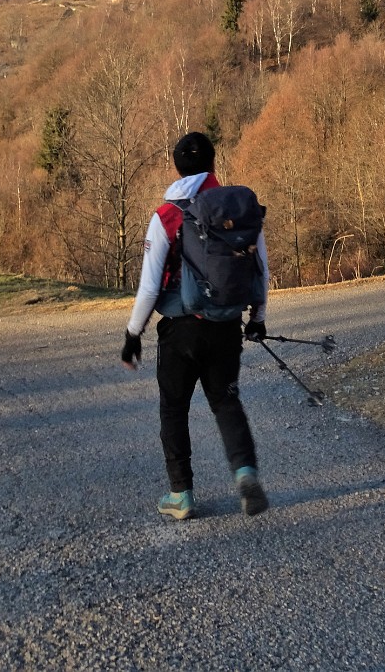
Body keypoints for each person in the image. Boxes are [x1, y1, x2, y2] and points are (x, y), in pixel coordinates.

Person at [120, 132, 269, 520]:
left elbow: (150, 284)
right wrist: (258, 320)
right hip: (225, 325)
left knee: (173, 408)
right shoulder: (236, 207)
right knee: (226, 401)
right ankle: (245, 472)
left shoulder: (167, 214)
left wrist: (133, 333)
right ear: (213, 164)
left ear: (176, 166)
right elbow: (259, 269)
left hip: (180, 331)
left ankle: (181, 494)